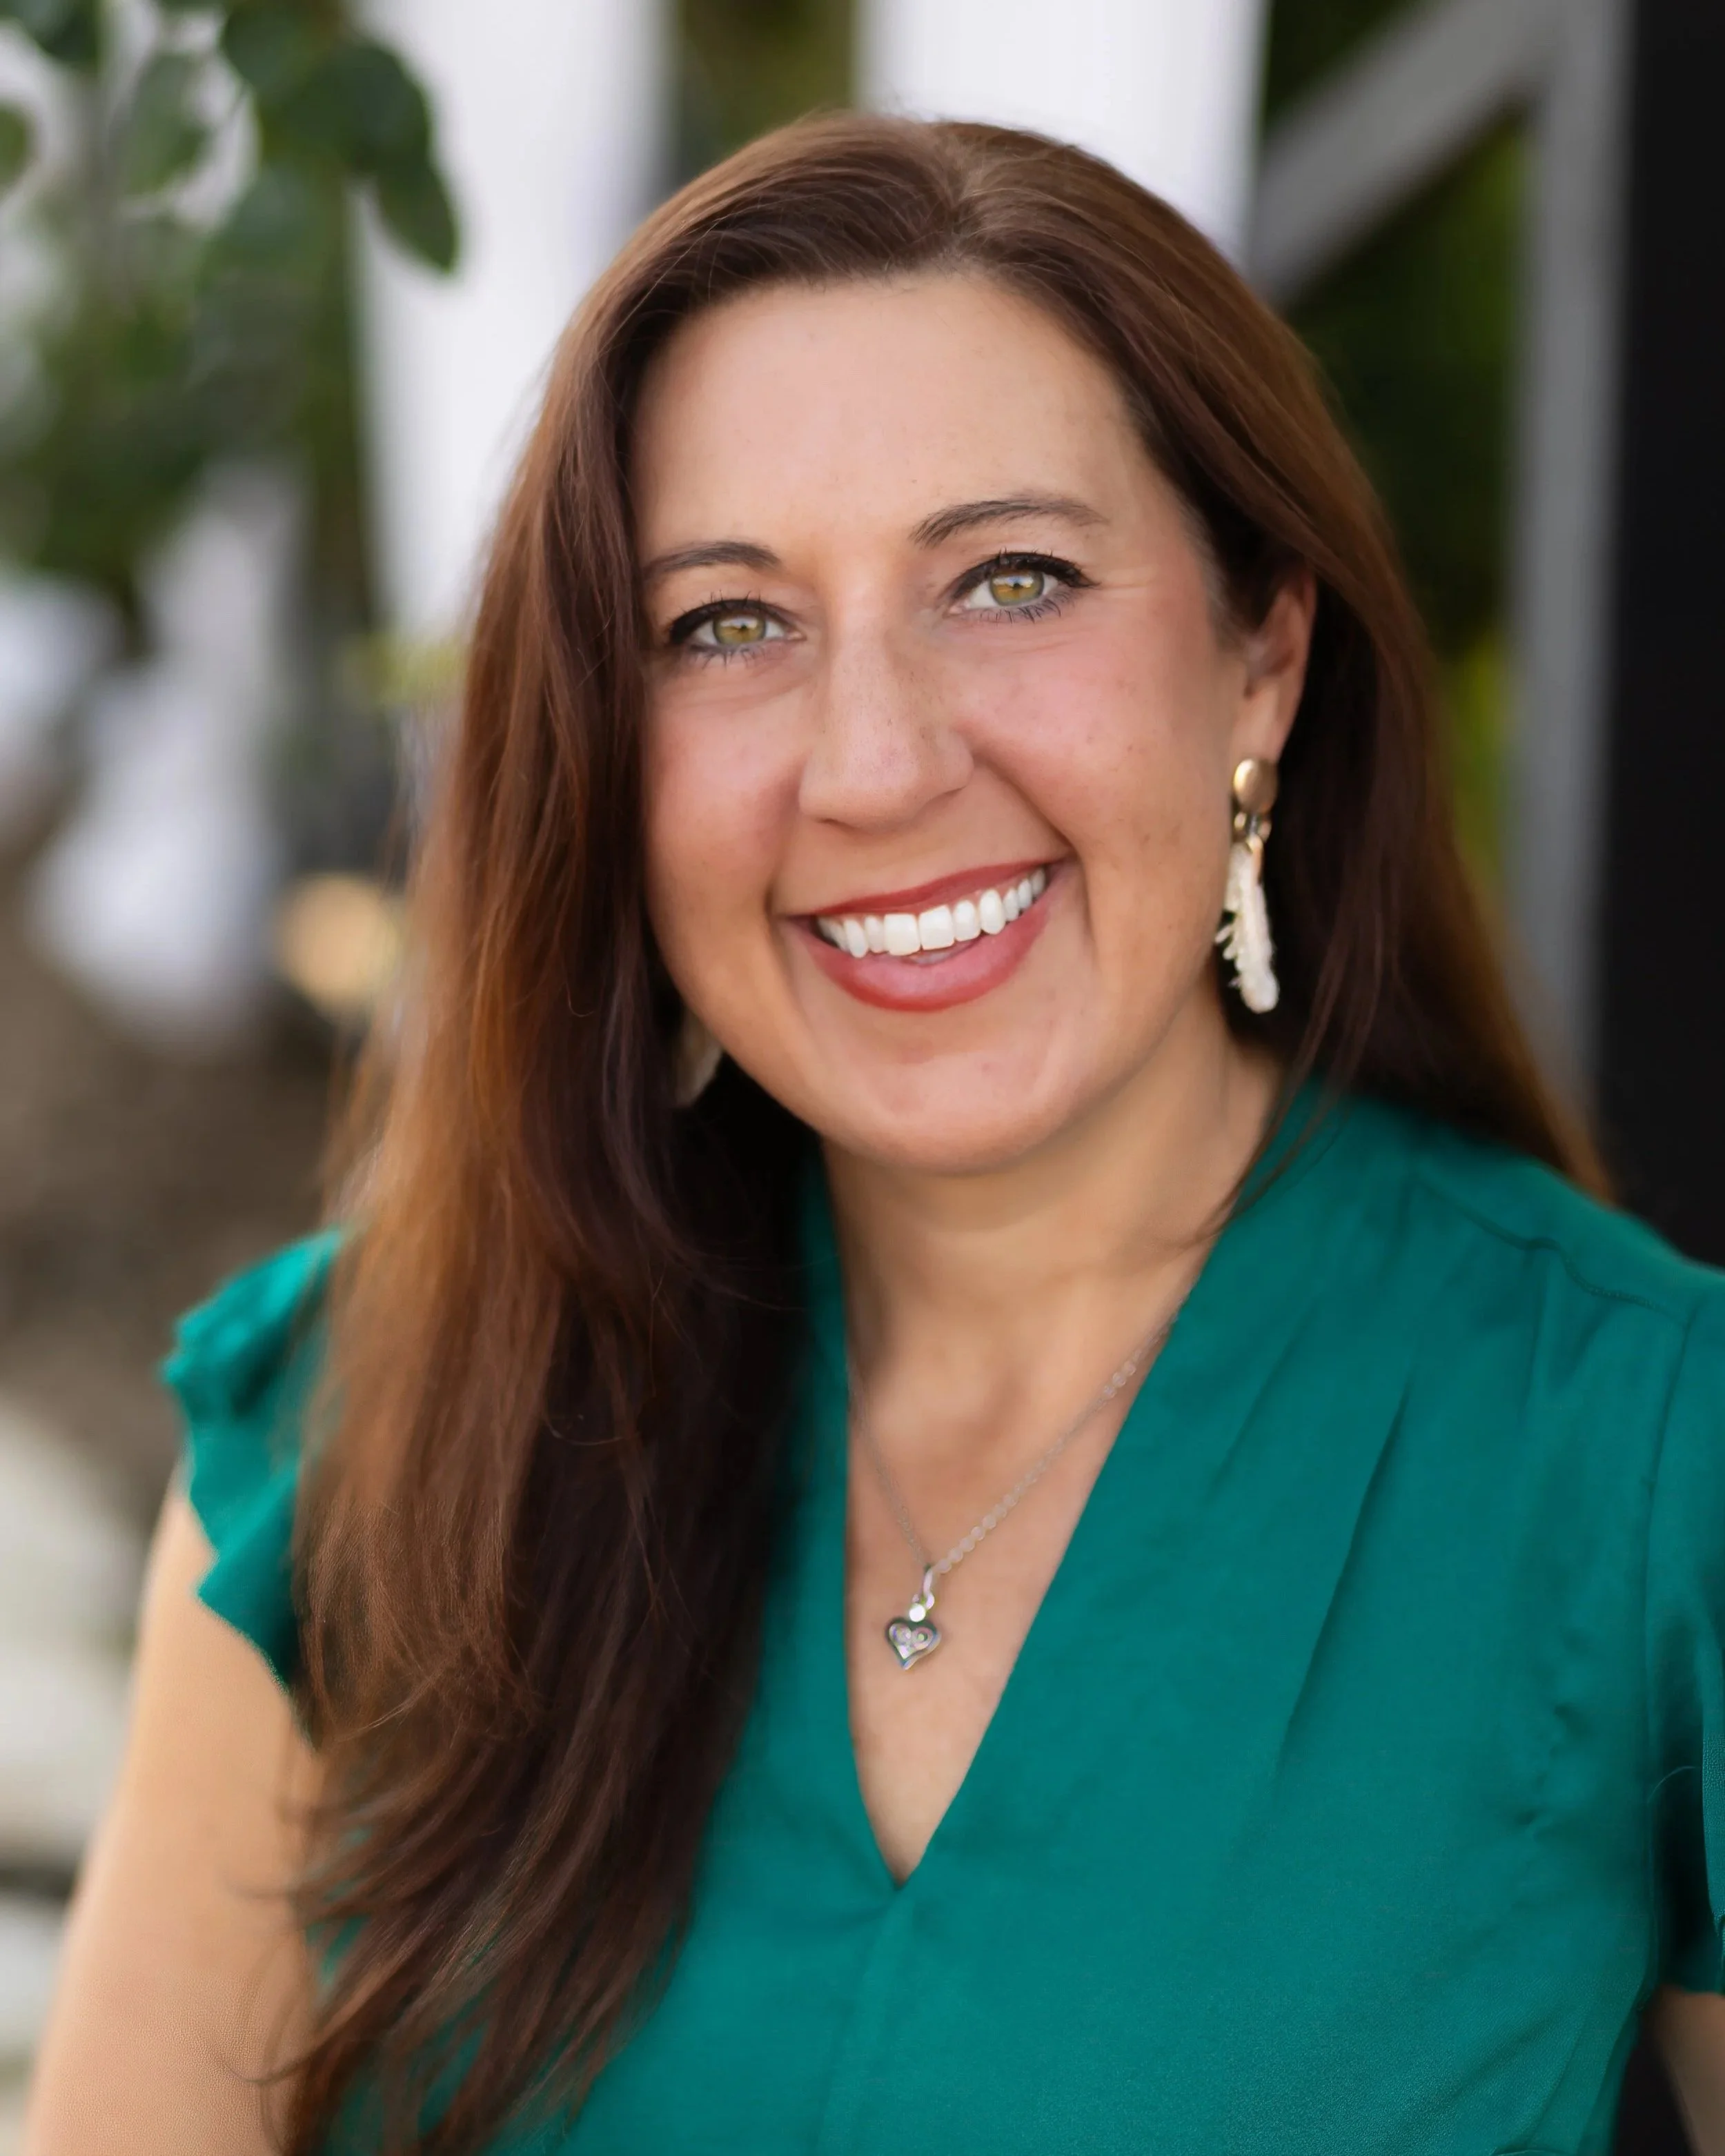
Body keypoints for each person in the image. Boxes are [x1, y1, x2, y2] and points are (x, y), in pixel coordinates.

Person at [24, 113, 1725, 2156]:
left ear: (1260, 663)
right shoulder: (362, 1415)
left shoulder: (1646, 1454)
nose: (875, 765)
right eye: (728, 624)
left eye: (1011, 582)